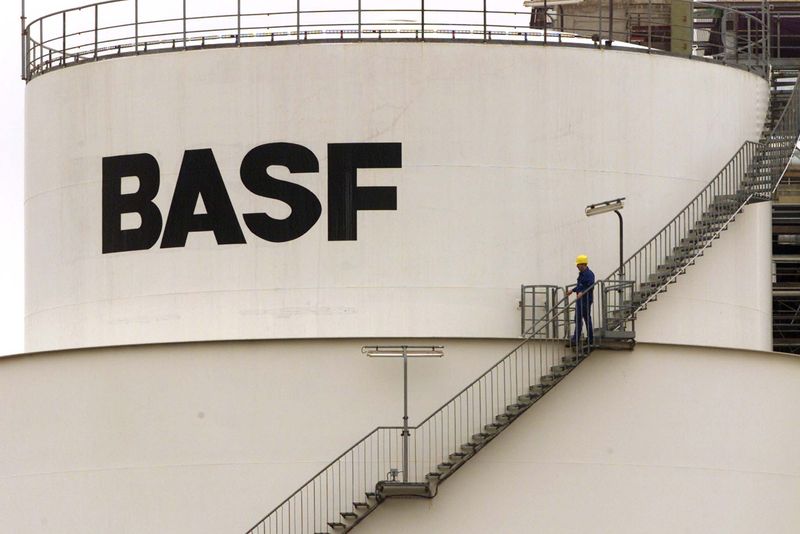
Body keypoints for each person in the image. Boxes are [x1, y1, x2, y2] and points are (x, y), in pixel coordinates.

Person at [566, 254, 594, 348]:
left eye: (578, 265)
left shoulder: (589, 274)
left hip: (585, 300)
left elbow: (590, 286)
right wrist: (572, 290)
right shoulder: (582, 274)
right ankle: (587, 339)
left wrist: (582, 292)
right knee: (582, 319)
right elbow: (580, 285)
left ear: (583, 264)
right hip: (581, 299)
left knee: (581, 319)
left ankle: (577, 340)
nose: (577, 266)